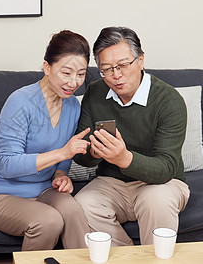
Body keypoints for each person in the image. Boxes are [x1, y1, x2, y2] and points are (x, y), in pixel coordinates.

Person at [73, 27, 190, 246]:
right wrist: (94, 152)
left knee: (156, 200)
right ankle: (127, 257)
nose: (116, 75)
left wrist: (123, 158)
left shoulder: (169, 101)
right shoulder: (95, 92)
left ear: (141, 60)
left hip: (162, 183)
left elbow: (166, 167)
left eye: (123, 65)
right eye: (107, 69)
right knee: (81, 204)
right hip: (112, 183)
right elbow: (81, 156)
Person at [0, 30, 91, 251]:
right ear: (47, 68)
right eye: (66, 72)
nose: (73, 82)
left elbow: (63, 160)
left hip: (43, 189)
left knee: (74, 211)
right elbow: (7, 165)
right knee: (49, 221)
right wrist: (62, 153)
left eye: (81, 74)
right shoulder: (20, 102)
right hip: (0, 192)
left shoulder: (73, 106)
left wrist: (61, 174)